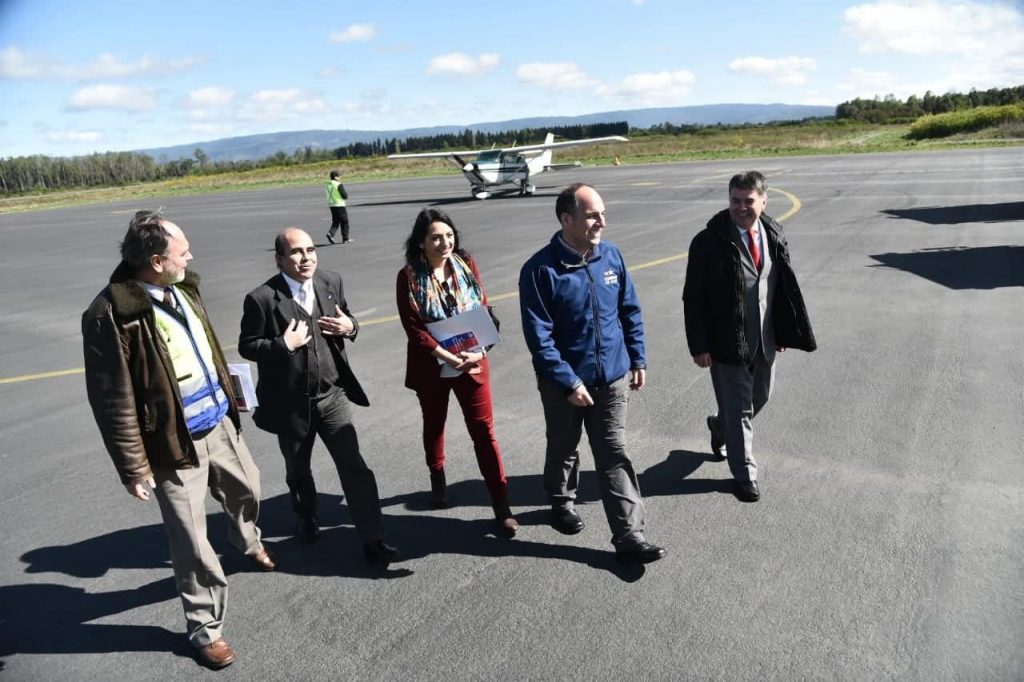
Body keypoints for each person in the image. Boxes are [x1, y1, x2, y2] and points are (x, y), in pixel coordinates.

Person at [82, 210, 275, 670]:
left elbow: (202, 348)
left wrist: (232, 395)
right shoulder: (110, 314)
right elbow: (112, 398)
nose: (190, 255)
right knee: (190, 542)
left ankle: (246, 538)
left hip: (220, 422)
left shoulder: (184, 287)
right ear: (155, 260)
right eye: (181, 251)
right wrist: (133, 467)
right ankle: (206, 630)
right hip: (172, 441)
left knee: (250, 489)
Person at [519, 183, 666, 563]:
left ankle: (630, 535)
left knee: (613, 452)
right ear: (567, 219)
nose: (602, 221)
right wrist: (568, 381)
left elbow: (629, 311)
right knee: (564, 446)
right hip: (564, 384)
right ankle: (561, 501)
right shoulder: (539, 270)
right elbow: (540, 337)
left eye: (602, 212)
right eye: (592, 215)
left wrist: (638, 358)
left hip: (613, 378)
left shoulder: (611, 256)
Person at [238, 227, 398, 564]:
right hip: (290, 405)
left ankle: (374, 539)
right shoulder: (262, 298)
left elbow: (347, 316)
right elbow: (248, 345)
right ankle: (306, 515)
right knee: (298, 470)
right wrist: (283, 345)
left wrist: (351, 327)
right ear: (280, 258)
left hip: (332, 395)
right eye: (296, 252)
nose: (306, 257)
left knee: (355, 468)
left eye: (310, 250)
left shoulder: (331, 282)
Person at [682, 171, 816, 502]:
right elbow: (693, 297)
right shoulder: (708, 241)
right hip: (726, 340)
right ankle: (744, 475)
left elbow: (778, 287)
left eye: (748, 201)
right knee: (740, 408)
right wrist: (699, 346)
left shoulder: (773, 233)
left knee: (760, 398)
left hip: (766, 337)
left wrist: (783, 328)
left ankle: (718, 426)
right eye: (735, 201)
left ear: (764, 201)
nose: (741, 207)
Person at [396, 208, 518, 537]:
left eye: (448, 235)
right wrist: (445, 356)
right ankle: (437, 477)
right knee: (434, 424)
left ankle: (501, 505)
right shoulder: (408, 277)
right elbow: (414, 329)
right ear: (421, 243)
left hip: (472, 360)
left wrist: (477, 350)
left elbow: (482, 307)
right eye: (436, 237)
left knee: (484, 431)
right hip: (432, 364)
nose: (444, 242)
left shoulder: (466, 264)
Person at [325, 169, 351, 244]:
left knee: (336, 221)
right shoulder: (338, 184)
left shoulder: (328, 184)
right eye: (339, 176)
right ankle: (345, 239)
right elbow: (344, 195)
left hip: (331, 205)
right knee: (344, 221)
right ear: (336, 177)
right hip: (339, 204)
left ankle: (331, 234)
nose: (340, 177)